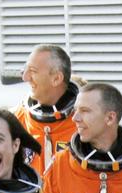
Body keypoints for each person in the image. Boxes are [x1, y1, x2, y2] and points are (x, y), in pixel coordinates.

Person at [17, 44, 79, 172]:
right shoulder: (16, 121)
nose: (25, 77)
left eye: (33, 71)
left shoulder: (85, 123)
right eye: (26, 70)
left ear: (56, 78)